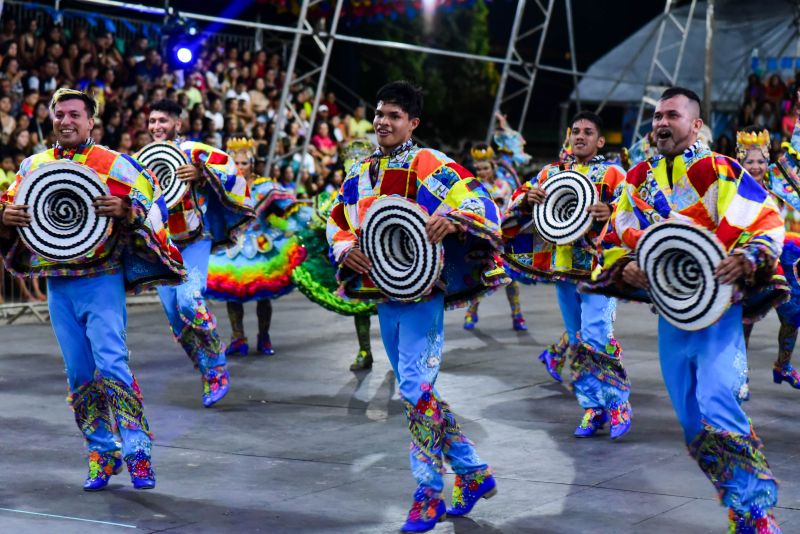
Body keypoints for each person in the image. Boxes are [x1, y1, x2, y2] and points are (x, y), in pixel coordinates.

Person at [585, 87, 783, 532]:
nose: (660, 123)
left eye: (671, 115)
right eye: (656, 116)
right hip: (672, 319)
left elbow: (765, 219)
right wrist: (626, 266)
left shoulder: (721, 170)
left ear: (695, 124)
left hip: (720, 315)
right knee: (694, 427)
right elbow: (612, 240)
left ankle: (755, 514)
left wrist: (748, 256)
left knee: (718, 402)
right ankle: (740, 502)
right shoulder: (637, 178)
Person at [327, 81, 505, 532]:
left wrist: (454, 217)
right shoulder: (361, 172)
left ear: (413, 123)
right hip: (386, 292)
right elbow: (338, 220)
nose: (383, 122)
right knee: (415, 391)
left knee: (414, 388)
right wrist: (344, 247)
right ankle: (472, 470)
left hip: (426, 292)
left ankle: (428, 493)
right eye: (379, 113)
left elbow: (480, 202)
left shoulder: (430, 163)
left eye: (393, 116)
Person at [0, 88, 184, 491]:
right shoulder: (33, 165)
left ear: (90, 122)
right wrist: (5, 214)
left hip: (101, 278)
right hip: (57, 283)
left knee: (112, 363)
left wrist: (127, 209)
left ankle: (138, 451)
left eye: (74, 115)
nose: (65, 121)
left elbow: (154, 199)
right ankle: (102, 450)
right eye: (59, 114)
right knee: (79, 373)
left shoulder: (112, 162)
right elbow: (10, 208)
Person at [504, 111, 631, 439]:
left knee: (597, 335)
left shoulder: (614, 174)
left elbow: (637, 209)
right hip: (563, 268)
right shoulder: (551, 173)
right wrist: (527, 197)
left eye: (588, 132)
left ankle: (617, 405)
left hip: (599, 270)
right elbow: (516, 200)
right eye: (575, 131)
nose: (580, 136)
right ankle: (592, 408)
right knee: (576, 341)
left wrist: (612, 212)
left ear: (600, 141)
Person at [144, 99, 254, 408]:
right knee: (175, 321)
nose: (156, 126)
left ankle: (217, 362)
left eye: (163, 121)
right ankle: (207, 370)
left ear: (177, 124)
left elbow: (233, 174)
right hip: (164, 247)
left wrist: (202, 173)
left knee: (189, 301)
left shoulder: (196, 151)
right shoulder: (144, 160)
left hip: (195, 240)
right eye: (152, 121)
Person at [206, 137, 310, 356]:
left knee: (263, 295)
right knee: (232, 294)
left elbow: (290, 207)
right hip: (232, 248)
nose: (240, 167)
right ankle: (238, 338)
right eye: (235, 163)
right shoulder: (225, 187)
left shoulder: (266, 187)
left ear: (252, 163)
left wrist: (305, 222)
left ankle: (264, 336)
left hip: (261, 245)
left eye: (244, 163)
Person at [292, 140, 377, 371]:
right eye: (351, 168)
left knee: (394, 308)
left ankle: (398, 352)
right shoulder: (336, 198)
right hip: (356, 261)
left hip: (384, 259)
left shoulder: (384, 192)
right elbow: (322, 227)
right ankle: (365, 350)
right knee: (360, 307)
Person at [737, 121, 800, 392]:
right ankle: (740, 374)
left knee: (793, 314)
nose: (755, 166)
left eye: (760, 160)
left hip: (782, 257)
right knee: (746, 319)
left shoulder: (779, 180)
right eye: (749, 160)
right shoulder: (732, 184)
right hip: (750, 258)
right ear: (741, 159)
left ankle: (783, 365)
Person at [462, 142, 527, 332]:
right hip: (481, 239)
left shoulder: (504, 185)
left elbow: (512, 209)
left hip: (504, 239)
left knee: (510, 280)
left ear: (493, 167)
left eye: (485, 168)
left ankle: (517, 315)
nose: (481, 171)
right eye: (478, 168)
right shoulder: (471, 186)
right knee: (480, 279)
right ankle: (471, 312)